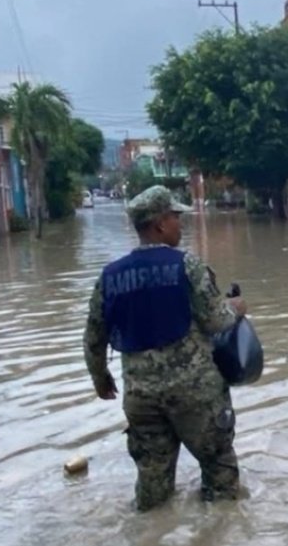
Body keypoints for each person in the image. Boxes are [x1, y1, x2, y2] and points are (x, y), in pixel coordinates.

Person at [82, 186, 247, 511]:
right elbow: (216, 321)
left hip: (141, 398)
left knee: (152, 485)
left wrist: (100, 379)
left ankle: (153, 539)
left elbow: (93, 339)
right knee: (220, 475)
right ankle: (220, 536)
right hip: (195, 394)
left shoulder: (110, 277)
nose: (180, 224)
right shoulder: (187, 265)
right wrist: (237, 308)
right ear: (159, 224)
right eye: (175, 217)